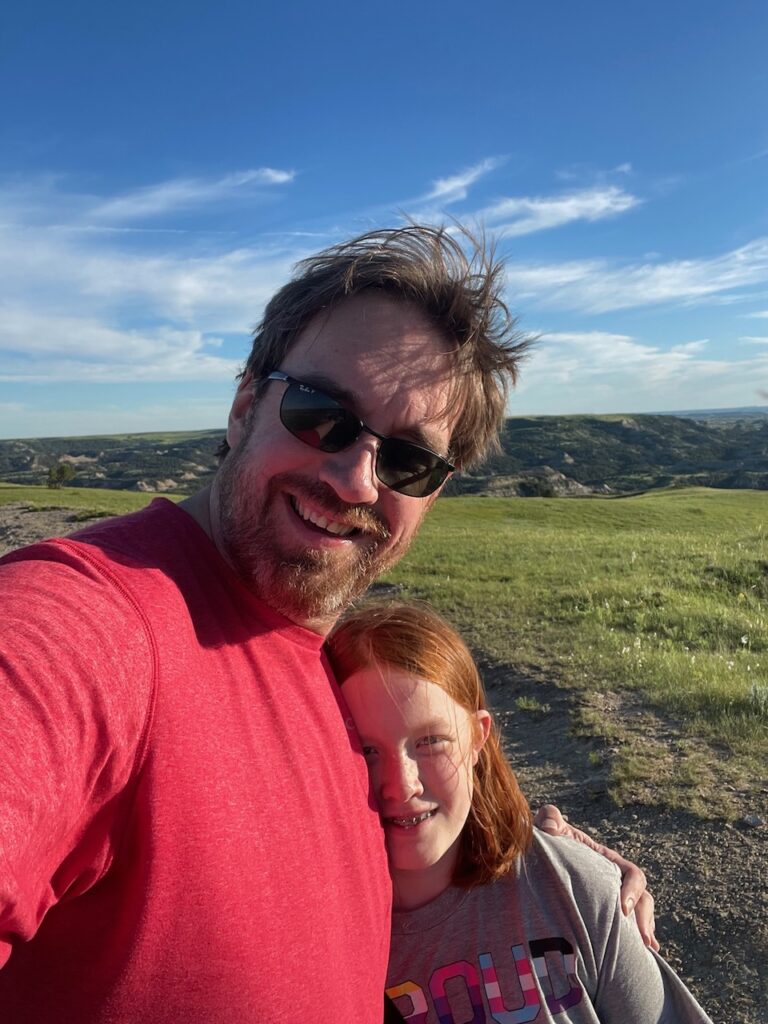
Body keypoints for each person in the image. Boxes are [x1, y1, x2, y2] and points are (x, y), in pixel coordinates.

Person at [0, 225, 649, 1023]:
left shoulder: (327, 668)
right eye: (322, 414)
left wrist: (554, 871)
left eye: (409, 459)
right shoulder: (87, 623)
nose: (354, 479)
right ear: (245, 406)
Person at [329, 601, 712, 1024]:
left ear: (478, 737)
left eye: (431, 741)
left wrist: (591, 879)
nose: (402, 785)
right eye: (365, 750)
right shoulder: (316, 939)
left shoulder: (571, 889)